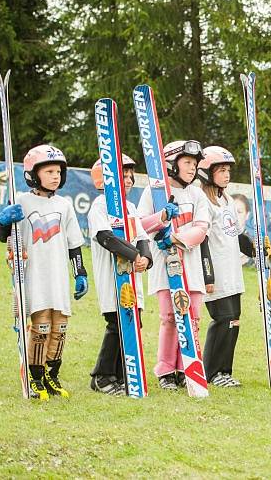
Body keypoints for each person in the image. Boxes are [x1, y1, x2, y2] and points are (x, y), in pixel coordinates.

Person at [0, 145, 87, 400]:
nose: (55, 176)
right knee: (42, 326)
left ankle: (51, 375)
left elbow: (73, 243)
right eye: (49, 171)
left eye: (58, 171)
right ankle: (35, 377)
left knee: (61, 327)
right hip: (35, 276)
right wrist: (4, 221)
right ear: (33, 174)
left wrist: (80, 273)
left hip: (58, 276)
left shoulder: (64, 204)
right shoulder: (22, 201)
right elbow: (3, 236)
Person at [137, 140, 210, 391]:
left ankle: (185, 366)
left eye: (194, 163)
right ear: (171, 164)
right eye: (187, 162)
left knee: (194, 317)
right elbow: (141, 225)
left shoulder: (197, 193)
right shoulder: (153, 192)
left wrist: (177, 238)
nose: (192, 168)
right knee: (170, 317)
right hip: (165, 266)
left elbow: (202, 228)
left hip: (191, 266)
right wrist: (162, 217)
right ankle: (165, 369)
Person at [87, 155, 155, 396]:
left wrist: (145, 258)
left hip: (132, 279)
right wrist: (134, 255)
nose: (127, 180)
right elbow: (105, 237)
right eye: (121, 176)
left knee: (132, 323)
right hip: (111, 277)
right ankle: (102, 376)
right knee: (116, 324)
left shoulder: (131, 207)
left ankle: (121, 375)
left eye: (129, 176)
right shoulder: (100, 205)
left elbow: (143, 237)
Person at [197, 146, 255, 387]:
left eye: (228, 170)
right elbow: (202, 240)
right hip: (216, 272)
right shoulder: (203, 201)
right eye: (221, 170)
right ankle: (211, 372)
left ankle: (225, 371)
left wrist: (256, 249)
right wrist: (207, 275)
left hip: (233, 272)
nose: (226, 174)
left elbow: (238, 236)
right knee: (223, 319)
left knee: (234, 320)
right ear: (208, 173)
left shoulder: (228, 200)